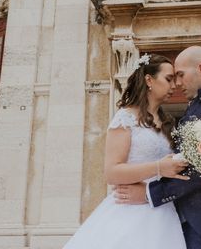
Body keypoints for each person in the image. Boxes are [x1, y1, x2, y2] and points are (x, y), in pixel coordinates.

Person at [115, 46, 201, 249]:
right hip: (175, 222)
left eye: (180, 75)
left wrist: (151, 193)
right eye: (172, 78)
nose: (177, 83)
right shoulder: (191, 109)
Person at [63, 54, 189, 249]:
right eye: (168, 79)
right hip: (130, 209)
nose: (175, 86)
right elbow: (112, 172)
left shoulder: (168, 123)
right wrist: (158, 168)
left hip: (163, 212)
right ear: (149, 80)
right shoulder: (125, 118)